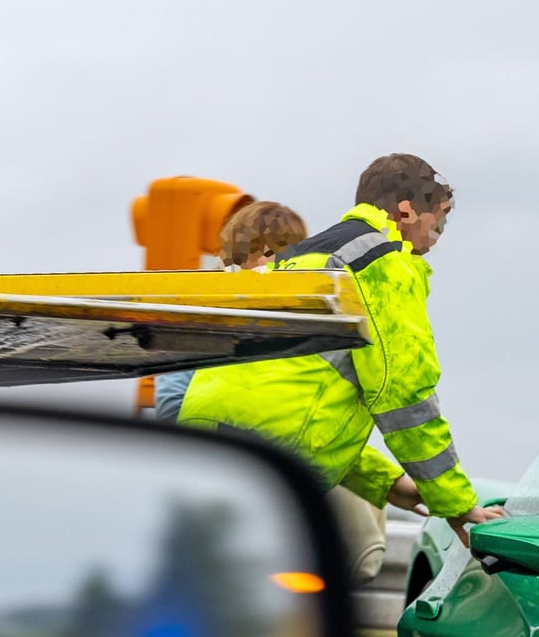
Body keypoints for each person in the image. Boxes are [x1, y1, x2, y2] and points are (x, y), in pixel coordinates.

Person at [178, 154, 504, 550]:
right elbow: (402, 395)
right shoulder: (384, 260)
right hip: (271, 459)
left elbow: (305, 393)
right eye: (439, 222)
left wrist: (384, 481)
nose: (435, 241)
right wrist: (457, 504)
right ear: (406, 212)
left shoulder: (301, 256)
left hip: (209, 432)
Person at [152, 201, 308, 423]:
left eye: (284, 255)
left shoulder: (301, 316)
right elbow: (171, 403)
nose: (276, 264)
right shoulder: (198, 310)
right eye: (267, 251)